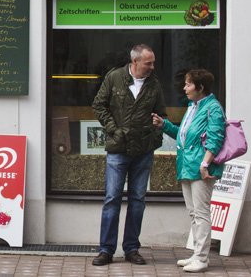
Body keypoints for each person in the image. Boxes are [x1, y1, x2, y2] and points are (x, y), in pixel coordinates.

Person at [91, 44, 167, 266]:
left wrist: (154, 135)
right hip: (118, 150)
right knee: (112, 199)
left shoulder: (154, 84)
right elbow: (98, 105)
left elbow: (161, 114)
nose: (152, 67)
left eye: (153, 63)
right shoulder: (115, 78)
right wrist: (113, 129)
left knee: (137, 201)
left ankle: (132, 249)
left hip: (143, 151)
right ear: (135, 61)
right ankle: (106, 250)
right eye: (148, 63)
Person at [152, 69, 225, 273]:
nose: (184, 88)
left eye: (188, 84)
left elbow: (216, 138)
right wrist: (164, 125)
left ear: (200, 87)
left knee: (201, 214)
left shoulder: (213, 108)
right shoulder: (193, 107)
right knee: (194, 213)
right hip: (188, 165)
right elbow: (184, 136)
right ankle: (197, 254)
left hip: (200, 168)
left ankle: (202, 258)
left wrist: (205, 164)